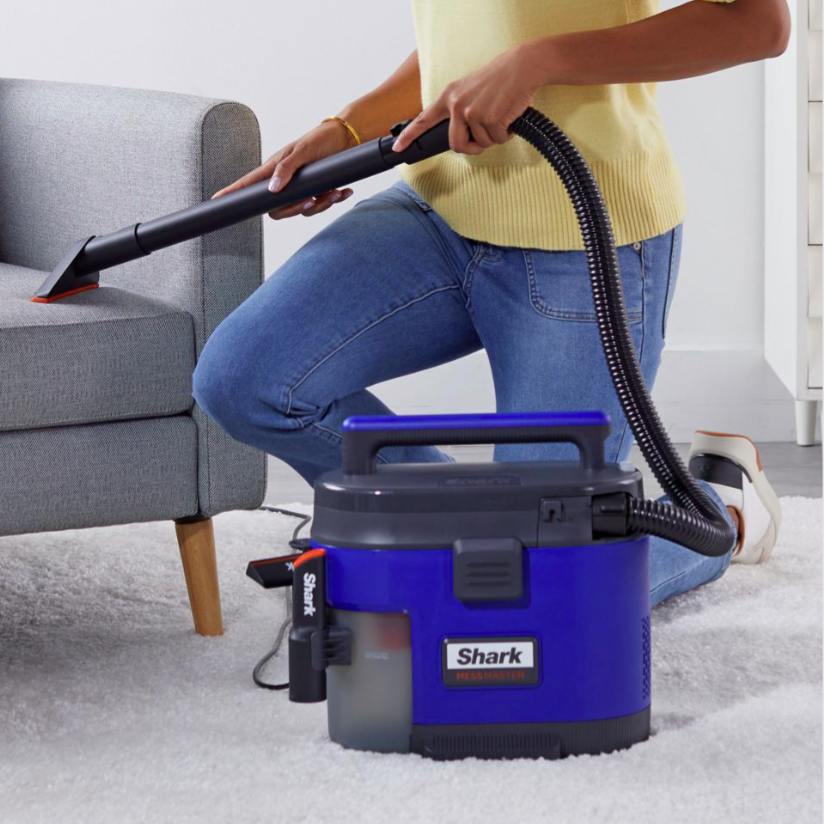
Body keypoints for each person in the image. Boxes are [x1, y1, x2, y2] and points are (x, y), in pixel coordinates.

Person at [193, 0, 789, 606]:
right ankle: (458, 532)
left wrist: (540, 61)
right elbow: (477, 33)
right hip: (440, 204)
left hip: (581, 238)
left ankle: (721, 511)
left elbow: (758, 23)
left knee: (531, 593)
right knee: (245, 378)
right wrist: (349, 128)